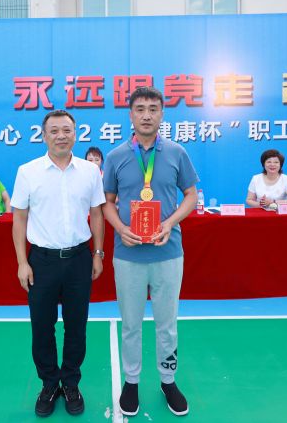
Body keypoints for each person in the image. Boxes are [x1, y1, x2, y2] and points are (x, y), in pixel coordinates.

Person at [102, 86, 198, 417]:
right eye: (140, 109)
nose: (146, 115)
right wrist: (120, 228)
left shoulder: (176, 152)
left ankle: (168, 380)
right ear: (130, 115)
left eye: (153, 109)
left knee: (166, 323)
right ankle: (131, 382)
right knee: (130, 323)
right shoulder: (115, 156)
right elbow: (107, 203)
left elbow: (191, 195)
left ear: (162, 114)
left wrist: (170, 222)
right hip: (128, 254)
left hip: (167, 252)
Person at [10, 110, 106, 417]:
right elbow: (19, 218)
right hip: (42, 262)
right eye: (54, 131)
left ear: (75, 134)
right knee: (42, 327)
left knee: (76, 327)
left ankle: (71, 383)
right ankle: (50, 384)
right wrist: (22, 262)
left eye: (67, 130)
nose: (61, 136)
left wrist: (98, 253)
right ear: (44, 135)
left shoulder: (90, 172)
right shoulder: (28, 171)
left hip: (79, 259)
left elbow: (97, 214)